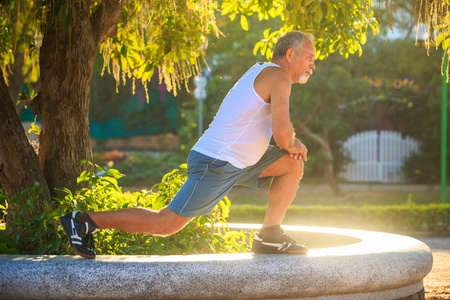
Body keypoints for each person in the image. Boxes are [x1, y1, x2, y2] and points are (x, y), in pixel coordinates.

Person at [60, 31, 316, 259]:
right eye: (309, 57)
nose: (313, 65)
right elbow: (283, 135)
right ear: (290, 54)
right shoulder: (278, 74)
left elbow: (281, 137)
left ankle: (269, 236)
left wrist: (292, 145)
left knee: (291, 164)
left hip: (240, 161)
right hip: (217, 161)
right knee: (167, 223)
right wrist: (294, 142)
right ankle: (83, 221)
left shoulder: (265, 70)